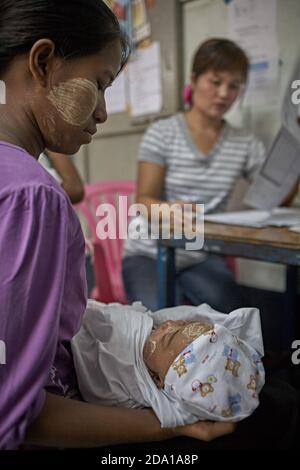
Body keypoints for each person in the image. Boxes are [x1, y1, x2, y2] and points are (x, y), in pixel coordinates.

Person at [0, 0, 236, 450]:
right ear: (43, 62)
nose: (104, 112)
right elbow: (15, 415)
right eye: (99, 83)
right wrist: (171, 425)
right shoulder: (33, 196)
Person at [122, 38, 295, 313]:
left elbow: (275, 198)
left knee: (236, 317)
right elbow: (144, 200)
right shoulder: (162, 132)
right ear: (194, 79)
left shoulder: (245, 143)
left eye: (234, 86)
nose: (224, 93)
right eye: (215, 81)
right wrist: (168, 210)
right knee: (163, 324)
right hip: (148, 252)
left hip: (200, 255)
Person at [71, 301, 265, 427]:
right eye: (184, 324)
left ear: (158, 379)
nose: (170, 323)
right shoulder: (156, 340)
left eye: (168, 338)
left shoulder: (122, 380)